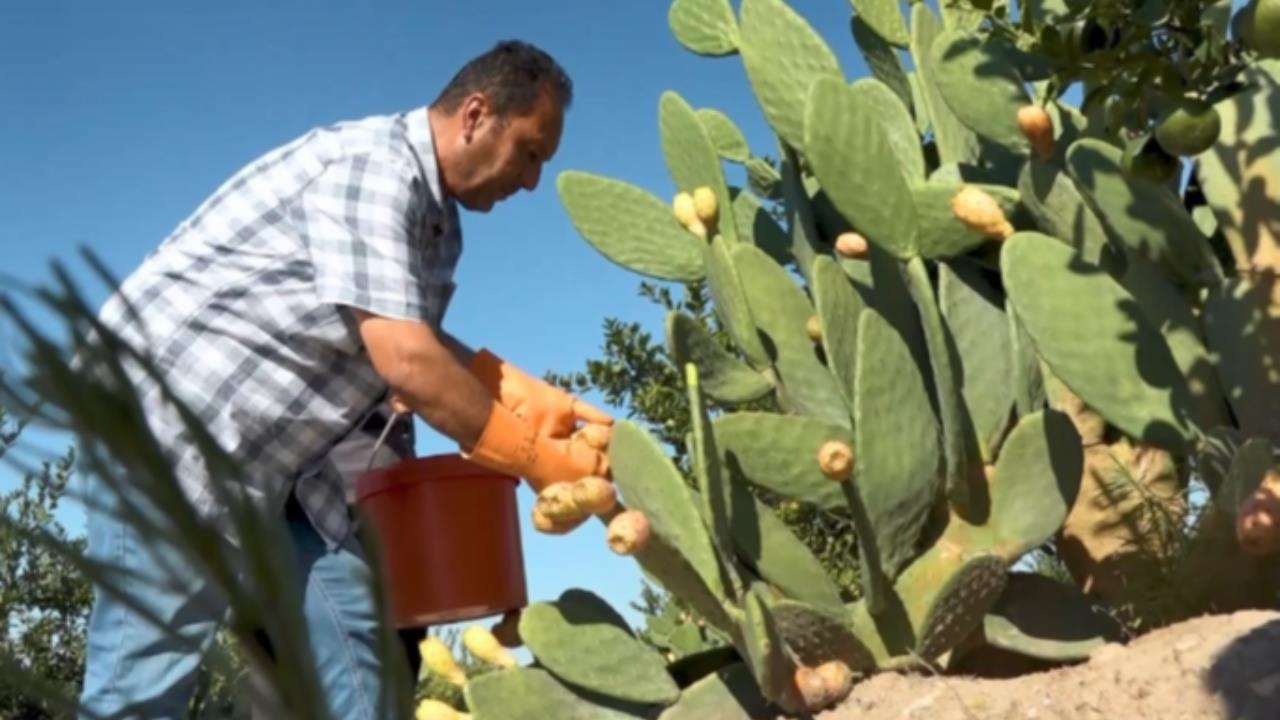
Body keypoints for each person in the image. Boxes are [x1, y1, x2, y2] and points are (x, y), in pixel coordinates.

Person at [75, 39, 613, 719]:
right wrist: (539, 461)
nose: (533, 180)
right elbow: (408, 362)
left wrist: (519, 390)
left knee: (358, 626)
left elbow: (406, 345)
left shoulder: (438, 229)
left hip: (278, 469)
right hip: (168, 425)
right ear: (476, 115)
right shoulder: (371, 169)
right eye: (530, 153)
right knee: (139, 690)